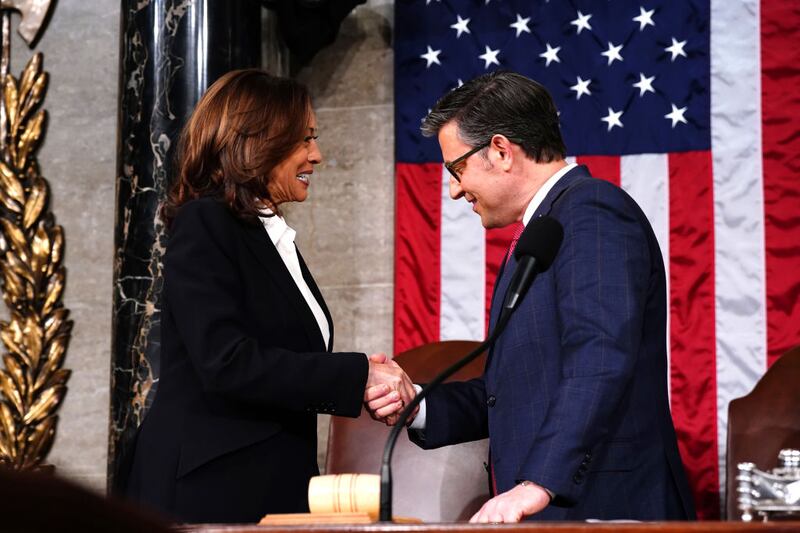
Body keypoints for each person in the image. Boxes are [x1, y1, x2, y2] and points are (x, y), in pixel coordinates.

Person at [366, 71, 696, 522]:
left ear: (501, 151)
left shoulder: (592, 212)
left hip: (606, 508)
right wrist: (416, 403)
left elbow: (600, 355)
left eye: (456, 169)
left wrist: (538, 483)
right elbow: (512, 393)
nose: (455, 189)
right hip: (553, 510)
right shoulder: (544, 231)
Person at [121, 69, 414, 524]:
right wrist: (358, 375)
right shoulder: (205, 222)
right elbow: (226, 361)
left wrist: (362, 380)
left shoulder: (270, 237)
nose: (317, 155)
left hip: (268, 485)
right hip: (211, 490)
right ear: (256, 142)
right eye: (305, 139)